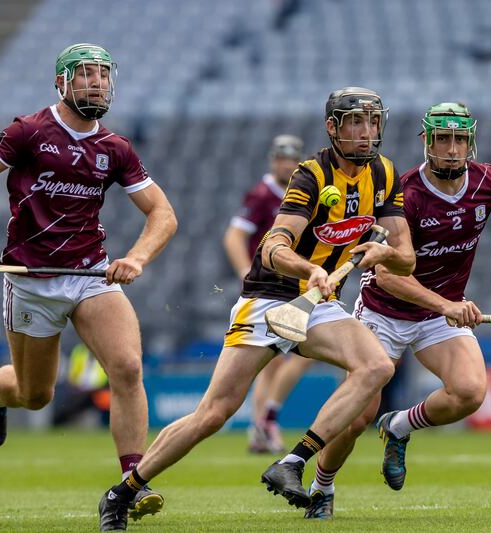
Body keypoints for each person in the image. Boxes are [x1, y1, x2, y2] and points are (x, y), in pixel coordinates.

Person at [97, 86, 415, 531]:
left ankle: (292, 461)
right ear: (333, 127)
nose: (366, 133)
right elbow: (272, 247)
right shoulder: (311, 175)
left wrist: (384, 254)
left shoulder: (383, 173)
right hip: (270, 300)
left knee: (377, 367)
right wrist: (311, 271)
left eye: (373, 122)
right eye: (355, 123)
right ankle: (123, 492)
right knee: (214, 413)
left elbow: (407, 256)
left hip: (318, 307)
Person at [0, 43, 177, 519]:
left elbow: (162, 213)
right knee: (36, 395)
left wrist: (135, 257)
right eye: (85, 74)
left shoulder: (115, 149)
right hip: (30, 279)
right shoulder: (29, 132)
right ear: (62, 82)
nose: (97, 82)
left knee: (128, 367)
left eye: (103, 74)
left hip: (90, 274)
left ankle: (129, 484)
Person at [302, 102, 491, 519]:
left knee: (470, 392)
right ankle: (321, 488)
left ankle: (400, 426)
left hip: (437, 317)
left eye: (460, 140)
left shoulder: (487, 180)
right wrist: (447, 305)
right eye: (443, 139)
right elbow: (386, 276)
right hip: (383, 312)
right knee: (356, 417)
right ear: (427, 142)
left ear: (470, 142)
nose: (452, 149)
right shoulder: (404, 193)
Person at [222, 134, 312, 454]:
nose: (285, 165)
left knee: (293, 358)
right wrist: (245, 270)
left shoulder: (303, 191)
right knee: (278, 359)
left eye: (291, 159)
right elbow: (234, 235)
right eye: (280, 159)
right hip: (269, 288)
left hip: (294, 286)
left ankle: (262, 424)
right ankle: (263, 424)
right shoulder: (263, 193)